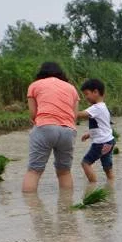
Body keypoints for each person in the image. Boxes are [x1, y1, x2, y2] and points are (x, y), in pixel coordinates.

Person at [21, 62, 79, 193]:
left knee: (34, 171)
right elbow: (74, 116)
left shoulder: (35, 86)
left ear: (41, 73)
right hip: (68, 131)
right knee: (64, 172)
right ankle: (66, 208)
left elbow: (33, 114)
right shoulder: (71, 88)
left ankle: (32, 209)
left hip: (45, 127)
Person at [77, 79, 115, 184]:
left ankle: (92, 186)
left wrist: (69, 107)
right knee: (107, 167)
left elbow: (78, 115)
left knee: (85, 163)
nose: (86, 97)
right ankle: (111, 185)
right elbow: (103, 126)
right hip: (109, 141)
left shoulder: (96, 107)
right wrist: (89, 134)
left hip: (100, 143)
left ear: (96, 92)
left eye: (86, 94)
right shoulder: (103, 106)